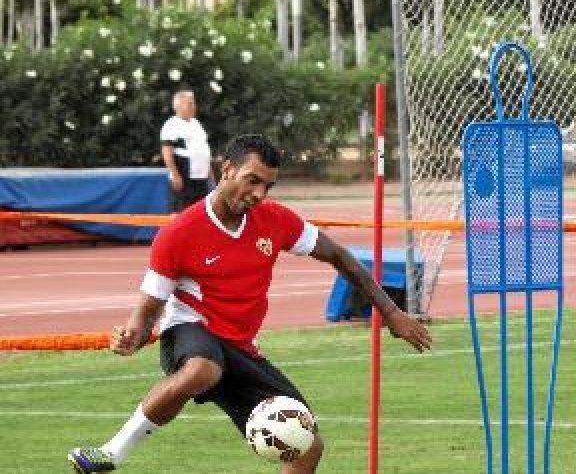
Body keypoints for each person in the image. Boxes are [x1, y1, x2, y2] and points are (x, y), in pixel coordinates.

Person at [68, 134, 433, 473]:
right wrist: (133, 334)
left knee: (307, 444)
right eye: (252, 180)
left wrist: (391, 312)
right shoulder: (179, 233)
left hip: (241, 348)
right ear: (226, 170)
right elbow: (148, 309)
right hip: (191, 330)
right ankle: (111, 452)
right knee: (202, 370)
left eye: (268, 186)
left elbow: (340, 255)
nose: (259, 193)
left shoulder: (275, 220)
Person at [160, 89, 212, 212]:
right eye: (189, 103)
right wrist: (174, 174)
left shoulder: (196, 124)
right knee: (182, 213)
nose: (193, 106)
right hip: (184, 175)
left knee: (200, 212)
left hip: (201, 178)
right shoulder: (171, 125)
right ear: (177, 106)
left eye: (193, 103)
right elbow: (167, 151)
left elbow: (203, 150)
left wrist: (210, 174)